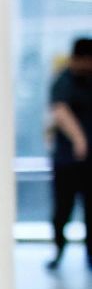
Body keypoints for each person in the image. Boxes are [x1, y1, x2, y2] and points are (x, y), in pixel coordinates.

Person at [47, 37, 92, 270]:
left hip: (89, 162)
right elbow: (59, 110)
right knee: (62, 209)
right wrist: (79, 139)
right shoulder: (64, 80)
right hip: (67, 160)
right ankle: (58, 251)